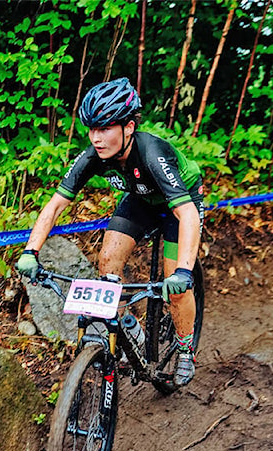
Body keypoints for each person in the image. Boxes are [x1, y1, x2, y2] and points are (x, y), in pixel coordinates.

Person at [16, 77, 205, 387]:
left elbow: (186, 213)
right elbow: (54, 206)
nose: (96, 138)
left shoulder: (152, 152)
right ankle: (124, 328)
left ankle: (185, 348)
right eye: (92, 130)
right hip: (141, 200)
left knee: (178, 286)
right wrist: (30, 252)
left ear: (128, 127)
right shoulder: (93, 156)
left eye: (104, 129)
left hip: (180, 204)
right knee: (107, 263)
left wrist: (184, 271)